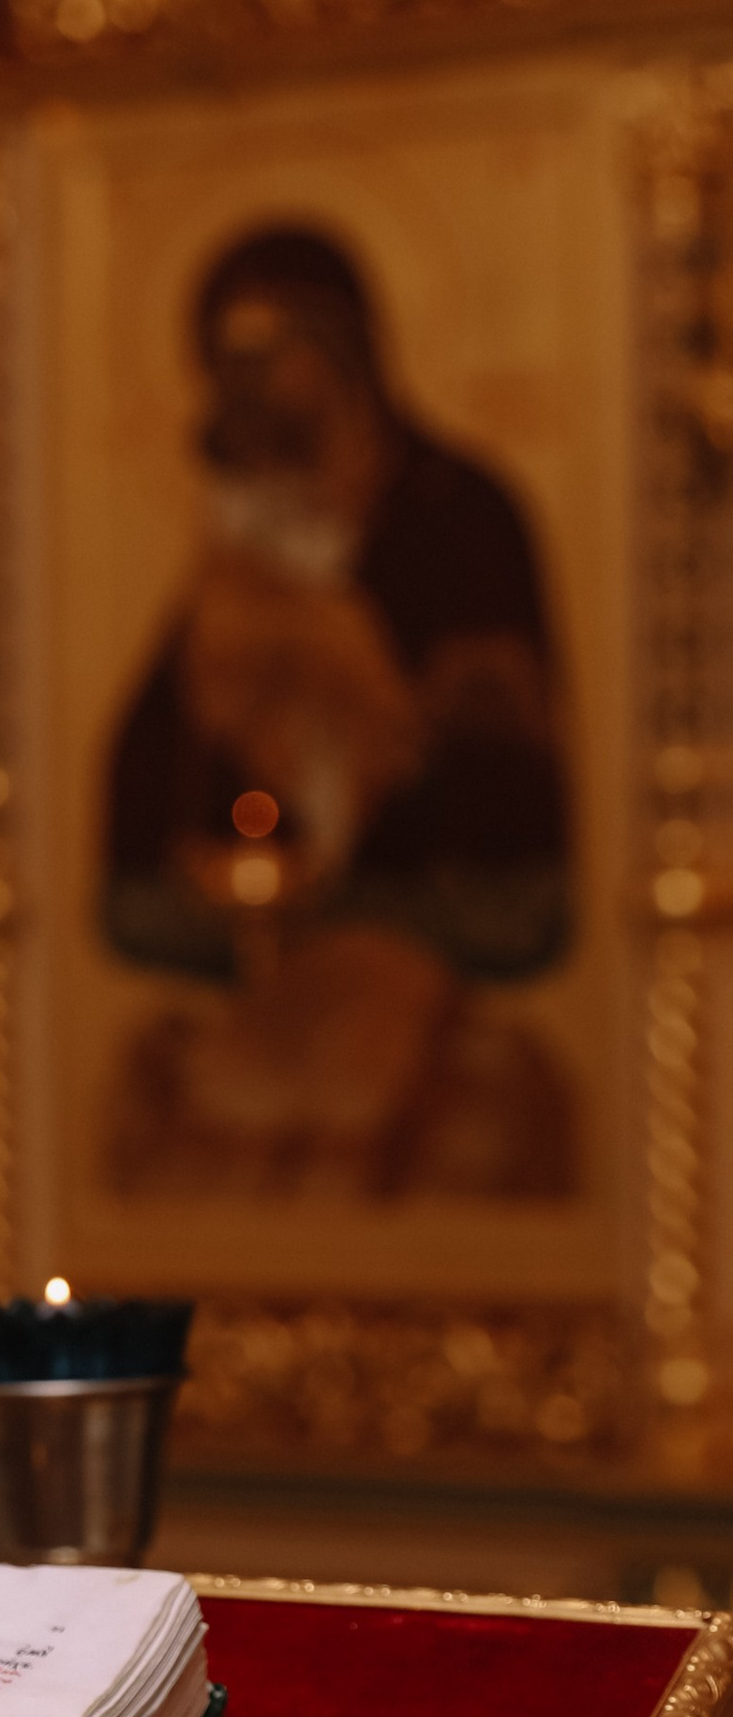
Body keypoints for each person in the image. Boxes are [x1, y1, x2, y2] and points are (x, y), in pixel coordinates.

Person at [103, 225, 573, 1199]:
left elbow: (511, 754)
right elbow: (147, 781)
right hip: (276, 907)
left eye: (264, 354)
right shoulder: (239, 542)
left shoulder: (462, 510)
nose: (242, 388)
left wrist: (386, 709)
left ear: (340, 348)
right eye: (222, 361)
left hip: (436, 894)